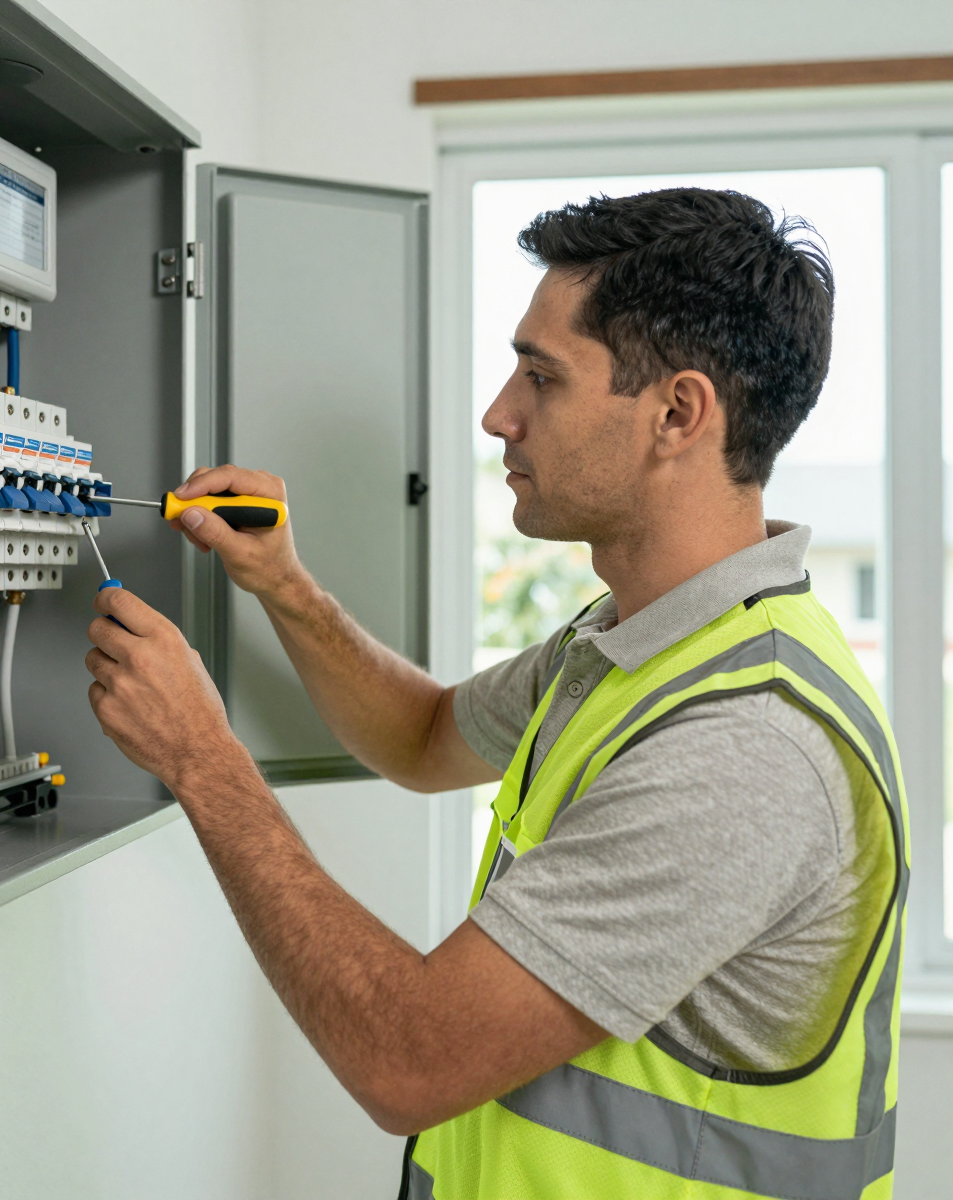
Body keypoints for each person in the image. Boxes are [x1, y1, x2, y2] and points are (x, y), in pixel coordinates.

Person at [83, 188, 907, 1200]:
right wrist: (284, 588)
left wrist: (201, 762)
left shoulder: (748, 741)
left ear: (677, 414)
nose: (497, 414)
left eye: (540, 377)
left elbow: (406, 1059)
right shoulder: (628, 647)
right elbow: (426, 737)